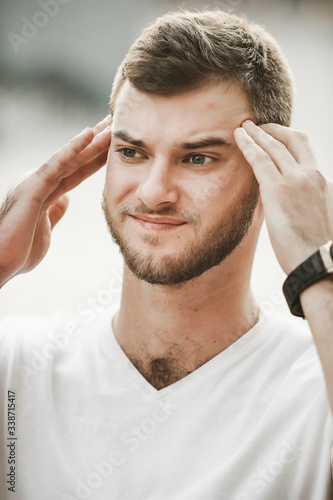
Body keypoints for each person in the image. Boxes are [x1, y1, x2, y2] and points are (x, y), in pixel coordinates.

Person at [0, 8, 332, 500]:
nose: (155, 192)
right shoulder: (16, 369)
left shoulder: (316, 385)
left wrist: (316, 266)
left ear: (271, 177)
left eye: (198, 157)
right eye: (132, 152)